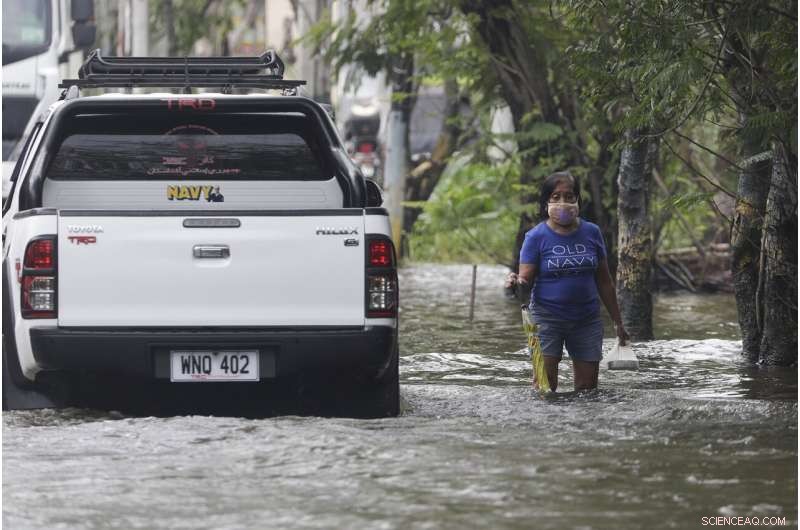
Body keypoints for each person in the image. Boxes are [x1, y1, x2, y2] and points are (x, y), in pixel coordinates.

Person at [506, 171, 629, 392]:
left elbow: (604, 282)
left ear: (578, 200)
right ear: (545, 203)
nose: (563, 203)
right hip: (546, 320)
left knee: (587, 390)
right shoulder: (535, 237)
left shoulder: (592, 232)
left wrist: (618, 323)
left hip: (587, 321)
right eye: (555, 197)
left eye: (569, 196)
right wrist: (516, 282)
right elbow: (525, 282)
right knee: (544, 387)